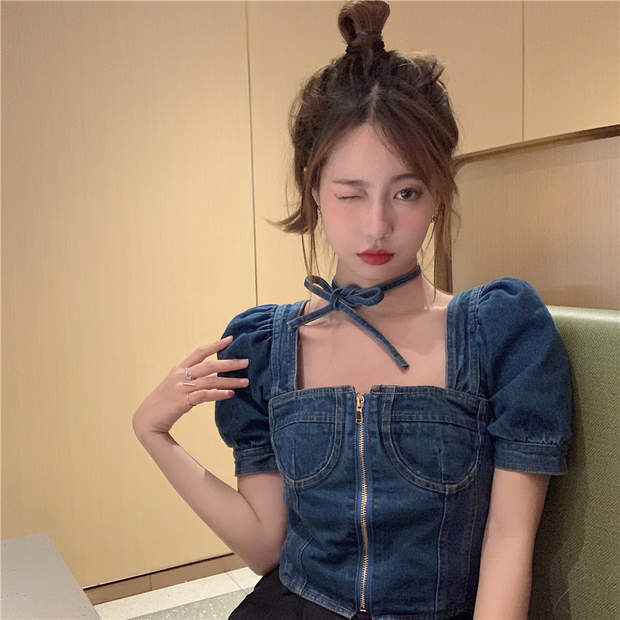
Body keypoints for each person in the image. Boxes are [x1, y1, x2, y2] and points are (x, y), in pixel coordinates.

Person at [132, 1, 573, 618]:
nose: (377, 225)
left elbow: (508, 541)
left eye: (406, 192)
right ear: (314, 190)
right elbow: (264, 547)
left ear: (438, 192)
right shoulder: (266, 348)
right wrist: (153, 434)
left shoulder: (499, 333)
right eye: (350, 194)